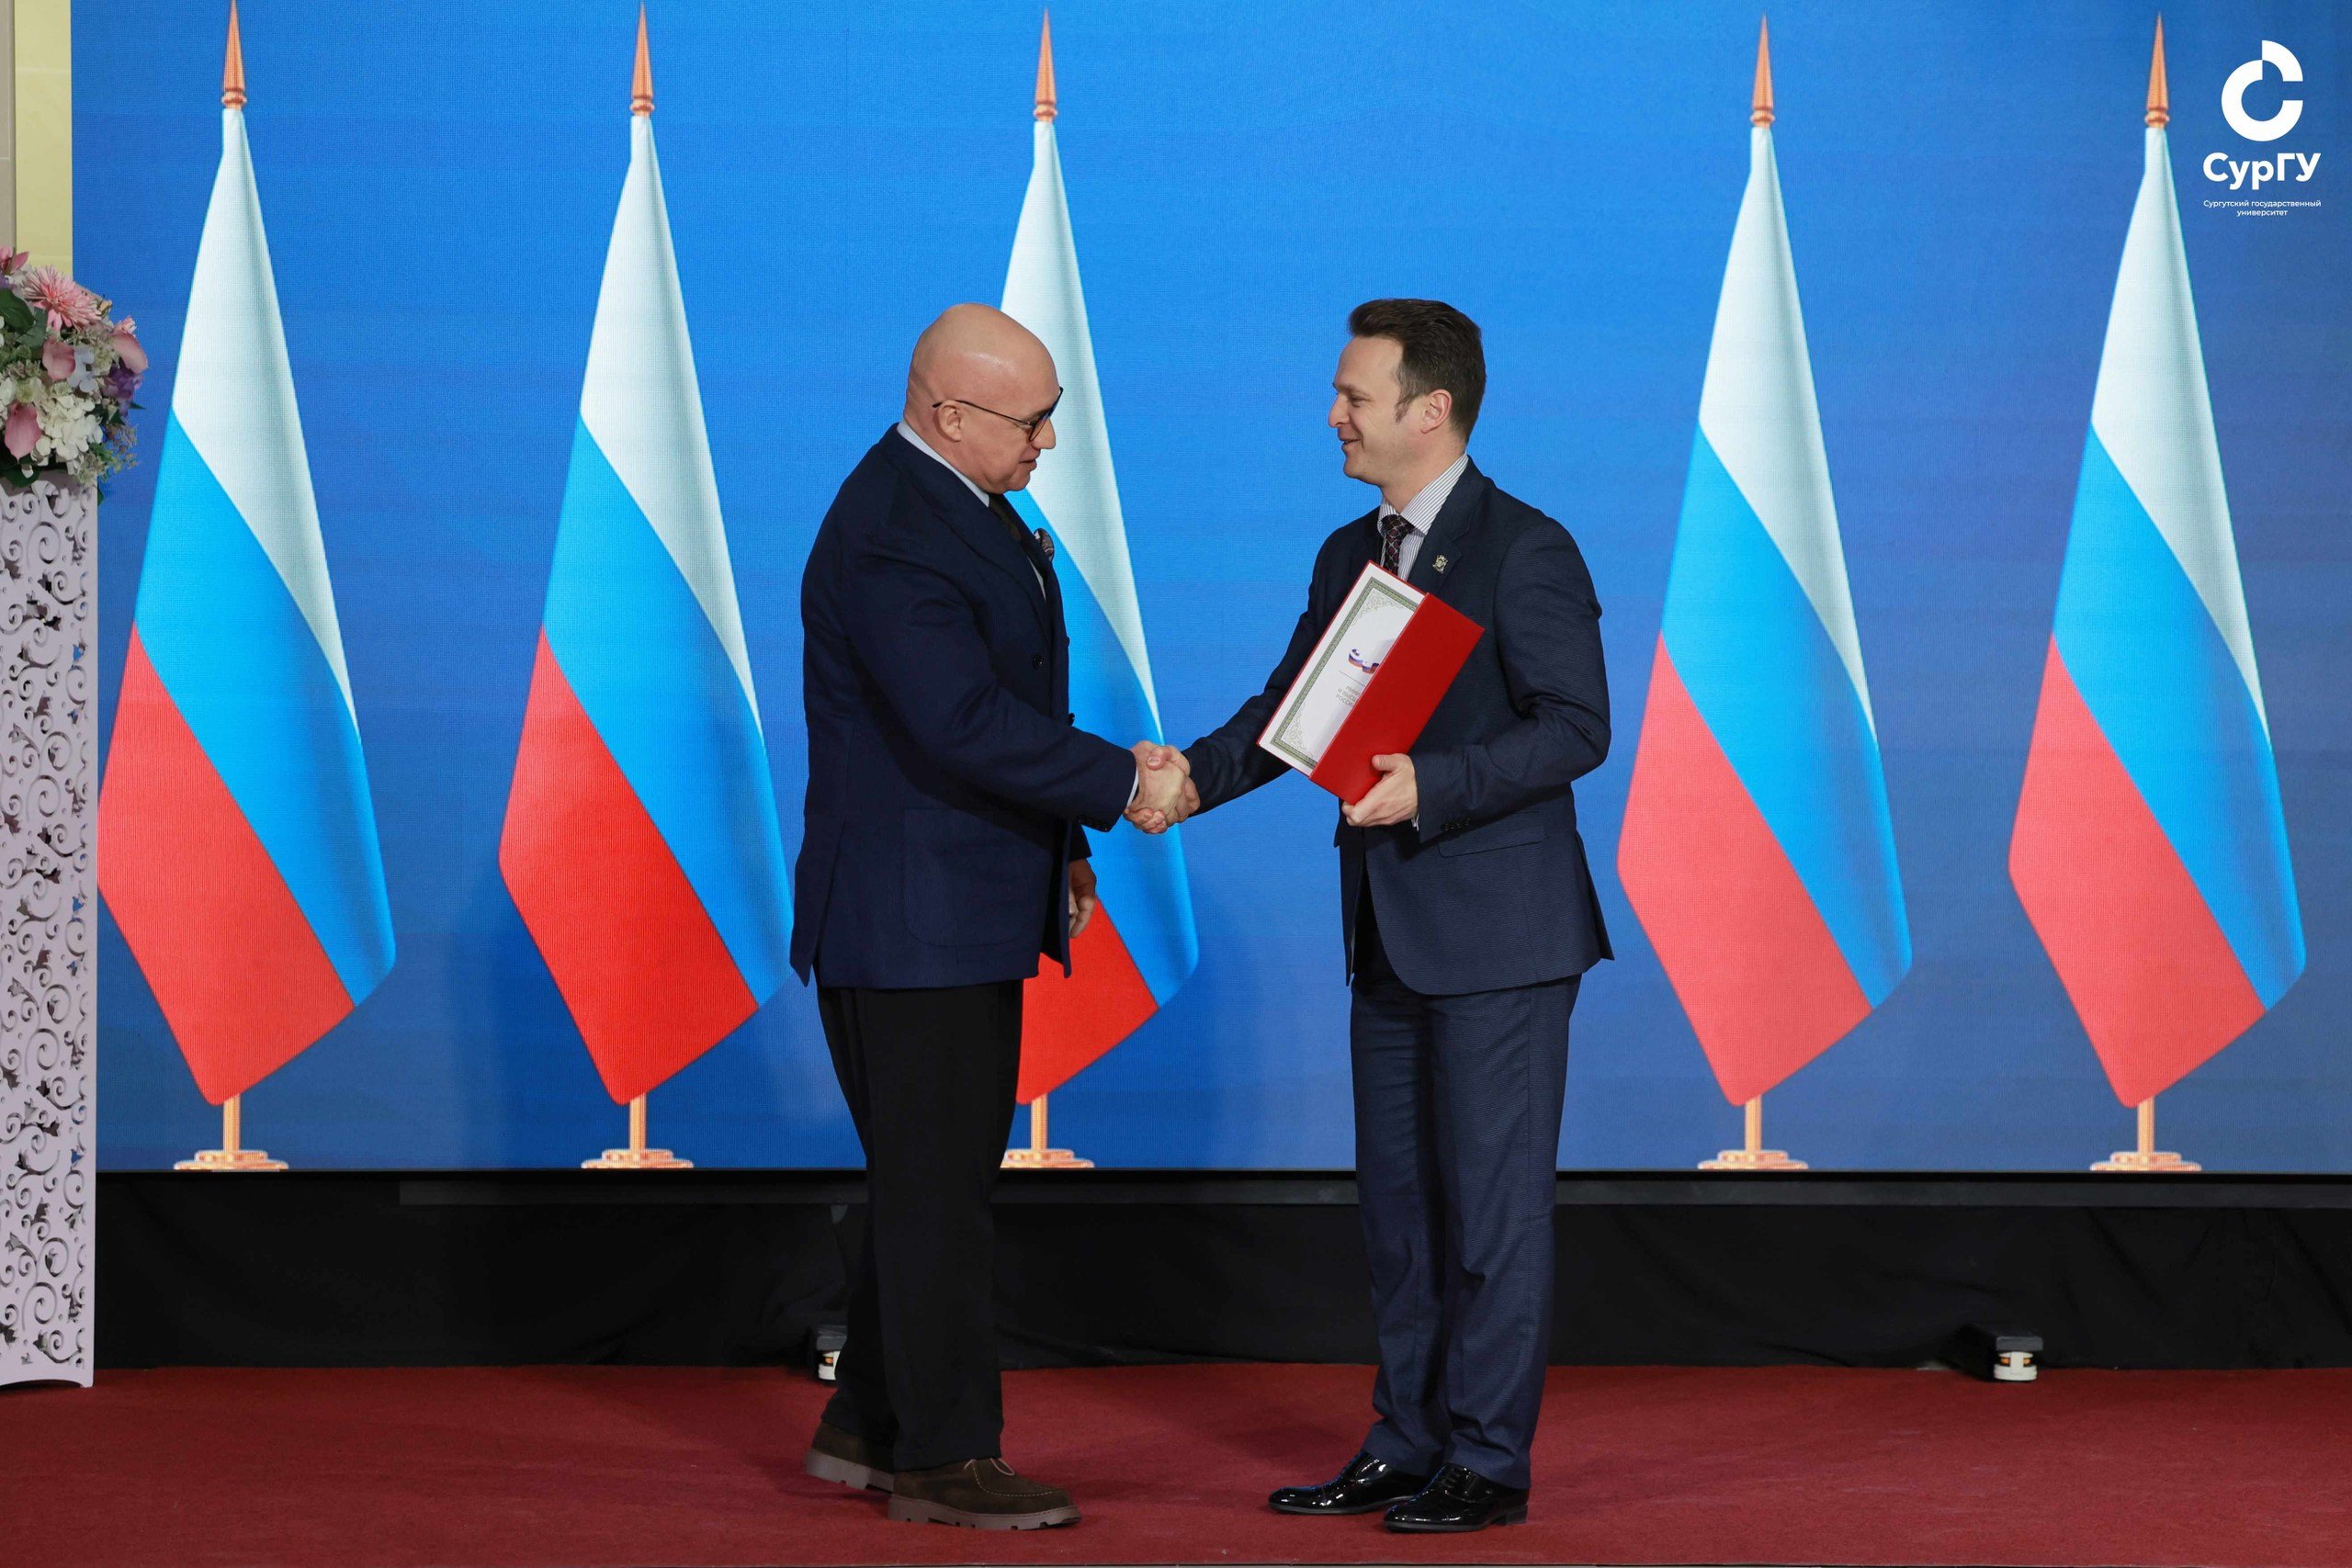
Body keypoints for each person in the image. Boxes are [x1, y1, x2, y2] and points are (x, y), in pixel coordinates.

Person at [1145, 299, 1611, 1533]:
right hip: (1389, 934)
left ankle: (1488, 1461)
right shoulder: (1350, 550)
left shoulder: (1527, 548)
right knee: (1400, 1215)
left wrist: (1434, 786)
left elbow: (1577, 726)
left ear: (1431, 410)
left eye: (1355, 396)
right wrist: (1190, 781)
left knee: (1491, 1217)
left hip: (1502, 939)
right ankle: (1406, 1442)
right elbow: (1295, 709)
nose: (1333, 416)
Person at [791, 303, 1187, 1530]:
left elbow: (1010, 693)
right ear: (949, 414)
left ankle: (869, 1423)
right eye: (1033, 421)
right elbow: (960, 721)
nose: (1048, 442)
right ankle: (945, 1459)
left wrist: (1065, 843)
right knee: (938, 1195)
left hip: (952, 905)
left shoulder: (955, 500)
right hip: (909, 921)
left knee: (935, 1178)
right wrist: (1123, 783)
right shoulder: (891, 531)